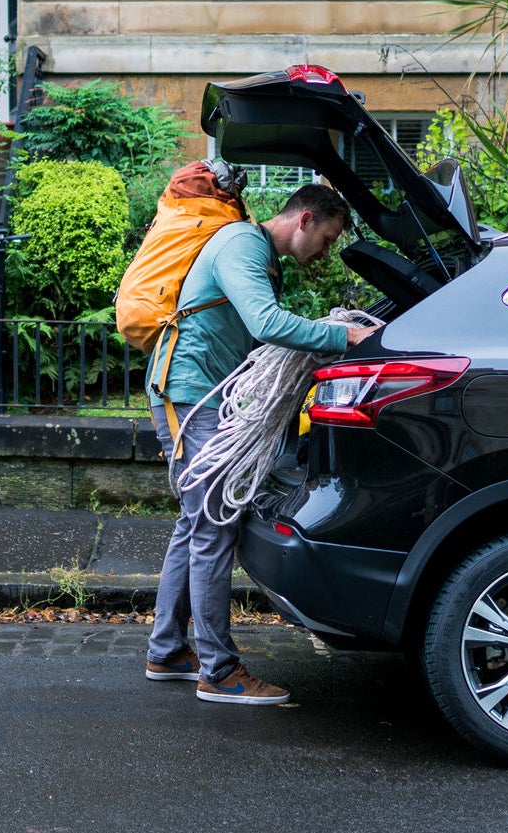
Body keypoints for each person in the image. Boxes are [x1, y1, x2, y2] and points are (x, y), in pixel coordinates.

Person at [144, 182, 376, 705]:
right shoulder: (242, 245)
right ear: (305, 219)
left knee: (194, 523)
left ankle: (166, 651)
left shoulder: (259, 255)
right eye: (328, 237)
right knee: (213, 525)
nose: (327, 250)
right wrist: (345, 337)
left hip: (193, 392)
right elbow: (266, 324)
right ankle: (219, 670)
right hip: (189, 392)